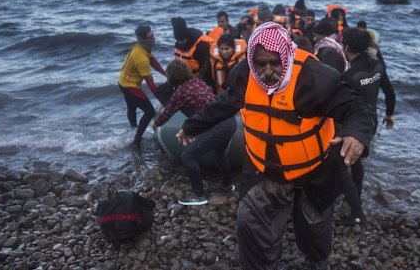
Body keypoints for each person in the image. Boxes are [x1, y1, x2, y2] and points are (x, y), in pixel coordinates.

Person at [177, 22, 376, 269]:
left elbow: (358, 107)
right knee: (250, 224)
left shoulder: (315, 78)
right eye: (260, 64)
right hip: (265, 172)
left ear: (286, 55)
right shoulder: (244, 76)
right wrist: (191, 126)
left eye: (275, 62)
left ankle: (317, 262)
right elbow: (223, 104)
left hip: (313, 172)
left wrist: (356, 134)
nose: (267, 71)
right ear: (252, 61)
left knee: (314, 229)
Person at [153, 60, 236, 205]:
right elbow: (209, 92)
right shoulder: (198, 82)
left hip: (218, 126)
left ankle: (198, 196)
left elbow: (166, 114)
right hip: (230, 121)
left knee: (188, 156)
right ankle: (227, 185)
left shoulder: (180, 92)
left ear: (171, 77)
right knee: (219, 154)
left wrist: (155, 124)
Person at [338, 28, 396, 223]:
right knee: (356, 161)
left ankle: (356, 212)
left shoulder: (349, 76)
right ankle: (355, 194)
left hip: (353, 125)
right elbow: (389, 92)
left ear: (346, 47)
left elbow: (340, 105)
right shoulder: (378, 66)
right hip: (372, 121)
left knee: (344, 162)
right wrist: (389, 114)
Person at [118, 25, 166, 153]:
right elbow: (150, 84)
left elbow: (152, 60)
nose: (154, 38)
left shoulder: (142, 47)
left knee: (131, 107)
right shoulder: (141, 58)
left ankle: (132, 131)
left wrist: (166, 73)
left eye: (153, 35)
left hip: (122, 82)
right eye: (150, 37)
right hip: (129, 86)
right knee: (149, 112)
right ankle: (136, 141)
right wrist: (163, 100)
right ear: (143, 39)